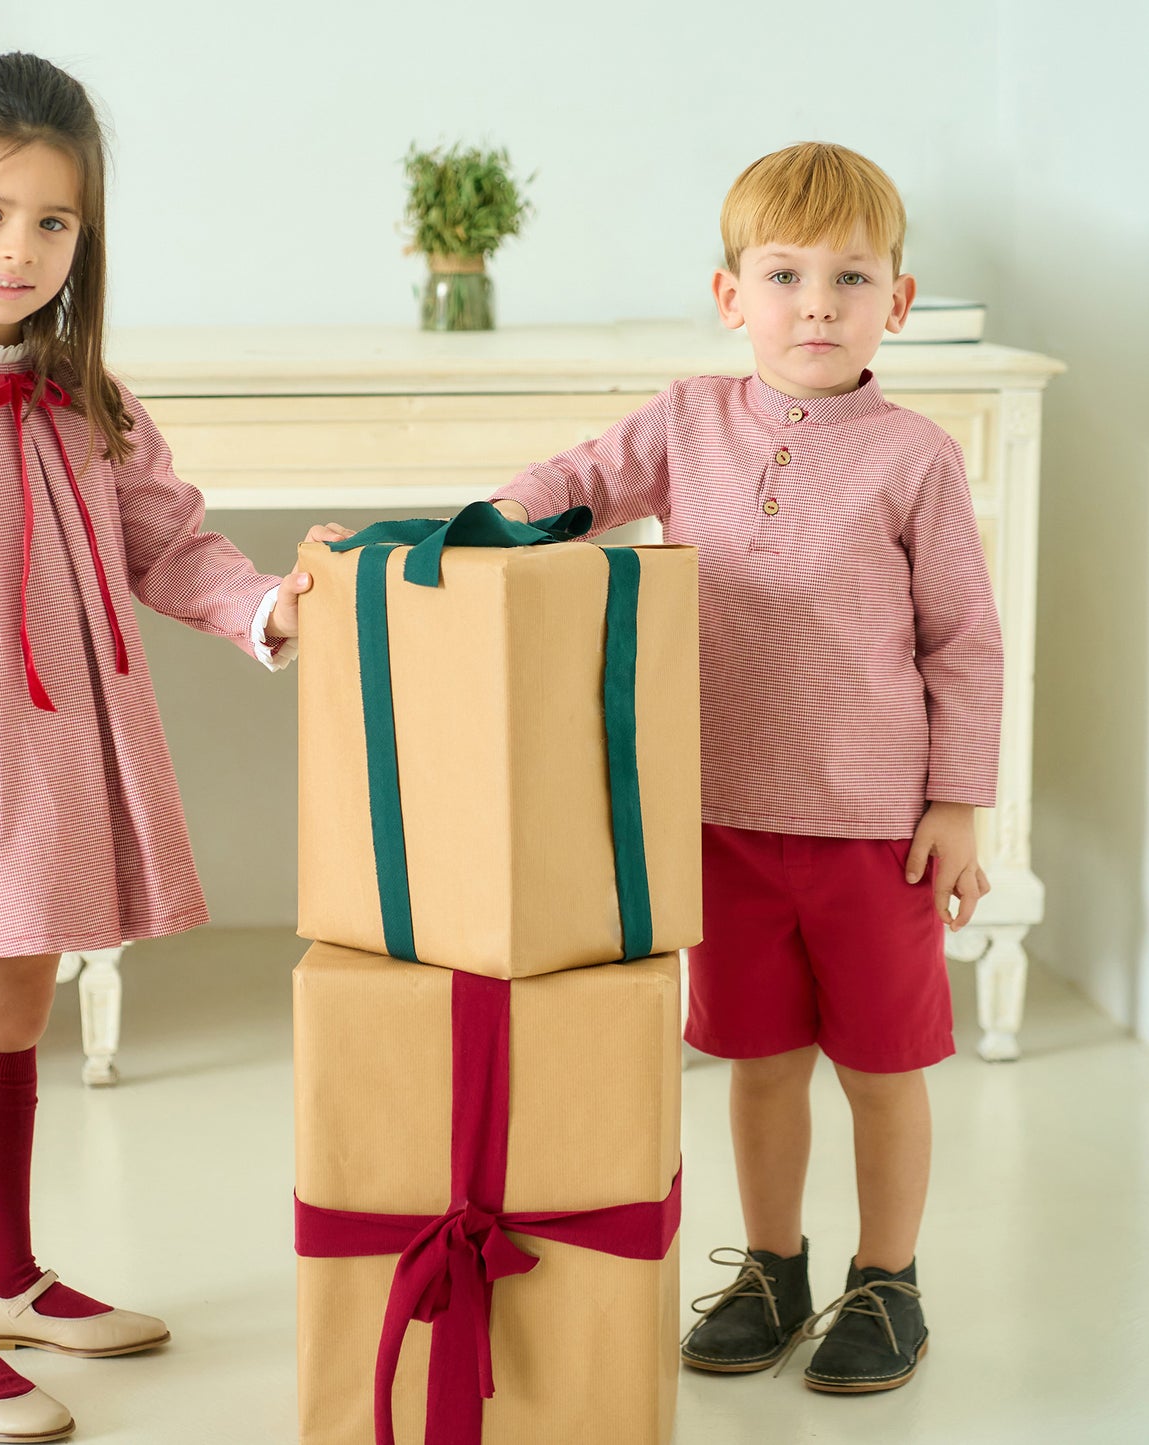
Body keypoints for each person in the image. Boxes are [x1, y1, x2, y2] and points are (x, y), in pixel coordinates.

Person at [0, 52, 344, 1443]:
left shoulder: (79, 394)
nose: (17, 248)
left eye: (53, 223)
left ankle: (10, 1271)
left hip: (49, 769)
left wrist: (273, 606)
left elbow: (173, 540)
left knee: (14, 1019)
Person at [490, 141, 1002, 1394]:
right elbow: (576, 485)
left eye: (848, 277)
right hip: (716, 823)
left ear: (898, 299)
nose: (815, 303)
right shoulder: (684, 422)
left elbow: (965, 644)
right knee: (759, 1062)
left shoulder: (912, 457)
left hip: (870, 829)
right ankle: (772, 1263)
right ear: (731, 297)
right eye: (783, 274)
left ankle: (888, 1279)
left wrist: (955, 804)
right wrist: (489, 525)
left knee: (882, 1068)